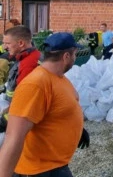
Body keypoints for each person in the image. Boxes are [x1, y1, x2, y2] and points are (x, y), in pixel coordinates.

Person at [0, 32, 89, 177]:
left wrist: (79, 130)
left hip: (54, 165)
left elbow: (58, 109)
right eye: (74, 54)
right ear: (66, 56)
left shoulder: (58, 78)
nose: (75, 57)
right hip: (38, 171)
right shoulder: (36, 84)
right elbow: (13, 138)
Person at [0, 26, 41, 133]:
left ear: (21, 43)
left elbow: (25, 100)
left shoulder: (28, 65)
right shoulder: (27, 58)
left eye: (8, 43)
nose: (4, 47)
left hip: (21, 119)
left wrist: (4, 120)